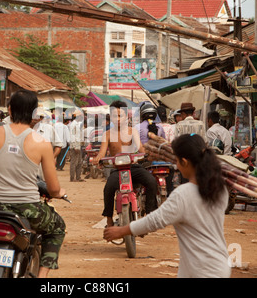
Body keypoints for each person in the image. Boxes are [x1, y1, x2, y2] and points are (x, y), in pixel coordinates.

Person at [103, 133, 231, 278]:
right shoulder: (220, 189)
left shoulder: (183, 194)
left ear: (184, 162)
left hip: (200, 270)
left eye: (176, 161)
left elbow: (155, 221)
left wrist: (121, 231)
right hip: (219, 265)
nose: (176, 165)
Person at [0, 89, 66, 278]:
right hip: (28, 209)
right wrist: (58, 193)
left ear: (9, 109)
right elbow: (54, 188)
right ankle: (42, 276)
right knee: (58, 227)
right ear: (34, 113)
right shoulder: (42, 143)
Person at [93, 100, 158, 228]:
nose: (117, 119)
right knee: (108, 188)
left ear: (126, 116)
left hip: (133, 166)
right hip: (117, 169)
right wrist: (98, 158)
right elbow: (102, 152)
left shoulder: (132, 131)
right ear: (110, 117)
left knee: (151, 182)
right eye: (114, 116)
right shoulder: (107, 134)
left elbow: (140, 147)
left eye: (120, 115)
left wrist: (148, 154)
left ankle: (150, 215)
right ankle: (109, 219)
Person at [69, 110, 84, 182]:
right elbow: (72, 136)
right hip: (75, 146)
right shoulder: (73, 125)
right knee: (74, 162)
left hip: (78, 145)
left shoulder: (77, 124)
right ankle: (72, 178)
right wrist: (75, 146)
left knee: (79, 162)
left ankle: (78, 177)